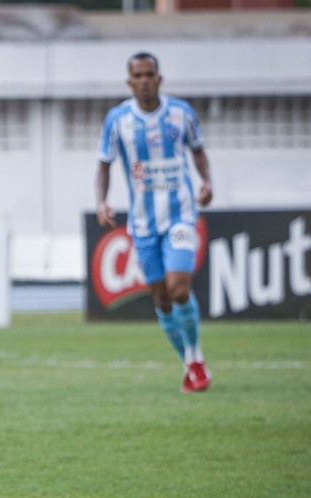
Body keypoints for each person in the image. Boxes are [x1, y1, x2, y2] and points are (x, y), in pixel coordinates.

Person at [95, 52, 214, 393]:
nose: (145, 80)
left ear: (159, 78)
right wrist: (102, 200)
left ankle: (196, 358)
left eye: (150, 74)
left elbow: (198, 151)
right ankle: (188, 363)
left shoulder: (181, 113)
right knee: (161, 298)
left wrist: (206, 182)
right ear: (130, 81)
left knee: (179, 288)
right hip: (144, 222)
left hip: (180, 213)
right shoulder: (118, 119)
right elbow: (103, 163)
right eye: (139, 75)